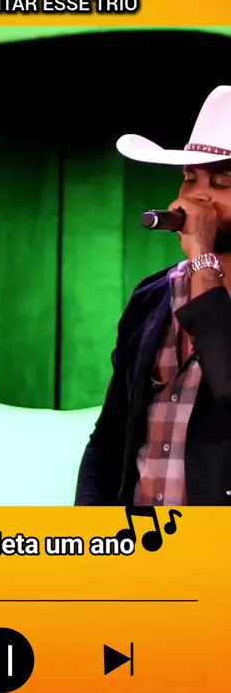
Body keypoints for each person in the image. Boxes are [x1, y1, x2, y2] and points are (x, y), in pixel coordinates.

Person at [75, 84, 231, 506]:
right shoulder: (152, 297)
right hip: (140, 540)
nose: (196, 195)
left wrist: (202, 259)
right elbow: (111, 435)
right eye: (190, 178)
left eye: (221, 181)